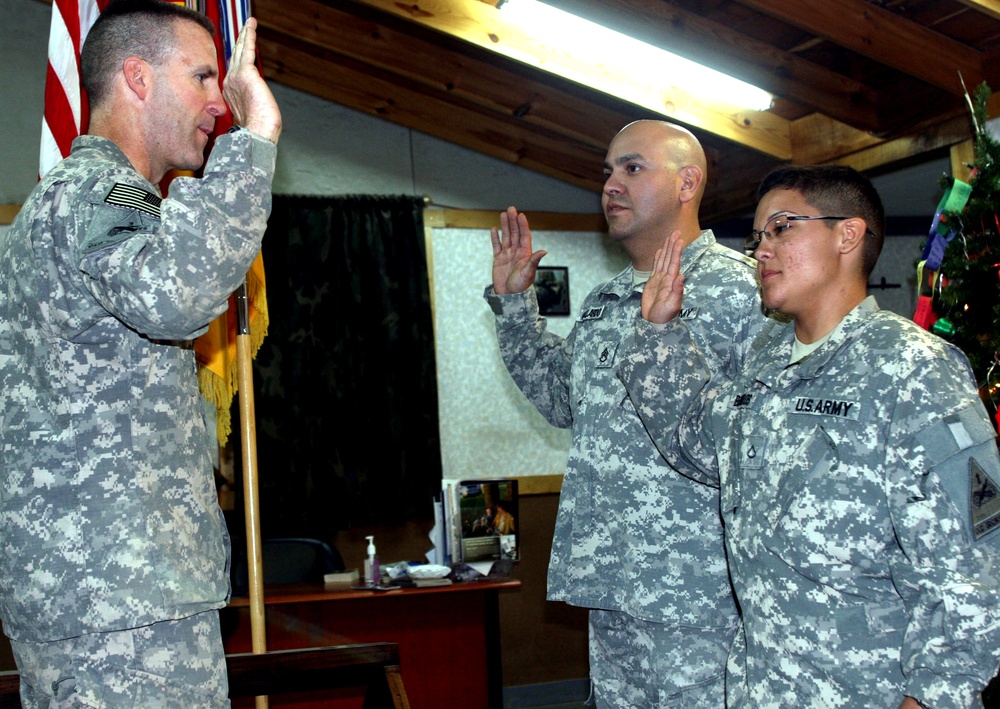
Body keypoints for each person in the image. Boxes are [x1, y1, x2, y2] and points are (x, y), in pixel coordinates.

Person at [620, 165, 1000, 708]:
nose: (761, 250)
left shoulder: (912, 370)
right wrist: (658, 334)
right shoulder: (765, 361)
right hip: (761, 689)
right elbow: (697, 444)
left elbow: (975, 568)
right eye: (757, 237)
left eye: (782, 228)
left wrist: (933, 697)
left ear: (848, 234)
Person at [0, 0, 281, 706]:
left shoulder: (61, 202)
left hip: (95, 597)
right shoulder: (99, 194)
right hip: (123, 608)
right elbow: (179, 292)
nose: (220, 102)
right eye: (203, 77)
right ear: (136, 77)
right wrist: (259, 140)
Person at [485, 119, 766, 707]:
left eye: (633, 168)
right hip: (613, 581)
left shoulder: (743, 292)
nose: (611, 184)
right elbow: (563, 402)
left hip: (699, 591)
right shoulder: (606, 299)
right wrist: (514, 306)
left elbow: (760, 440)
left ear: (688, 183)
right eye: (608, 171)